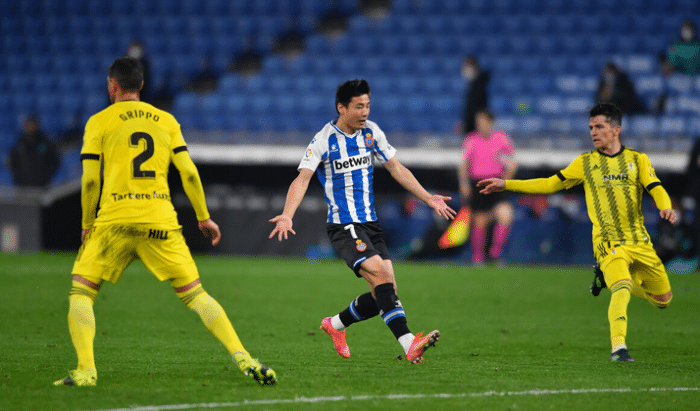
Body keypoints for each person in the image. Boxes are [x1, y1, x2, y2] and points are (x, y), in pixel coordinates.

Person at [53, 57, 276, 387]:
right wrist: (203, 217)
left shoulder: (99, 121)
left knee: (82, 293)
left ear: (112, 85)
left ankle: (86, 371)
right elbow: (188, 172)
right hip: (160, 221)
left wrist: (87, 222)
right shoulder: (166, 120)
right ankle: (244, 357)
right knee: (196, 295)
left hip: (114, 221)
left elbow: (89, 181)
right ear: (142, 85)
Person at [268, 79, 455, 364]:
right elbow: (302, 179)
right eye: (358, 106)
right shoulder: (323, 140)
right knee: (381, 276)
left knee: (385, 291)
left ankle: (335, 324)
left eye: (367, 105)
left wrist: (428, 198)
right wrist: (287, 214)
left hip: (370, 224)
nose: (365, 112)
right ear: (341, 108)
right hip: (344, 226)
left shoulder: (371, 132)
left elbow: (396, 168)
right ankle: (409, 344)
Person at [478, 102, 676, 362]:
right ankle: (619, 348)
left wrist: (666, 207)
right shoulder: (586, 162)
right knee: (622, 288)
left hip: (639, 241)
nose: (593, 132)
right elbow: (550, 184)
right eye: (591, 127)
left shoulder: (638, 160)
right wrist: (507, 184)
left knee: (663, 300)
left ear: (616, 129)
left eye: (600, 126)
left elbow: (656, 187)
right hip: (607, 242)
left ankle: (609, 278)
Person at [458, 109, 517, 264]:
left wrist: (506, 180)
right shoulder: (471, 140)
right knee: (480, 220)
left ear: (490, 122)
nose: (480, 125)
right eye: (478, 122)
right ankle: (478, 257)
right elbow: (464, 164)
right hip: (479, 183)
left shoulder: (501, 138)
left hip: (497, 182)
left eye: (483, 121)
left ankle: (495, 254)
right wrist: (464, 184)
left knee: (505, 215)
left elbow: (512, 161)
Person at [9, 114, 60, 187]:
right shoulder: (19, 144)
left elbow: (54, 162)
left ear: (37, 126)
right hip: (23, 187)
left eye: (33, 125)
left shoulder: (44, 144)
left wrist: (46, 178)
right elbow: (13, 163)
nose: (31, 127)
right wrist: (18, 179)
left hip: (42, 187)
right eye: (29, 125)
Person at [461, 57, 489, 135]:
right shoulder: (474, 84)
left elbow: (475, 108)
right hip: (473, 125)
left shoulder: (478, 85)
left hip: (474, 127)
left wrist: (468, 126)